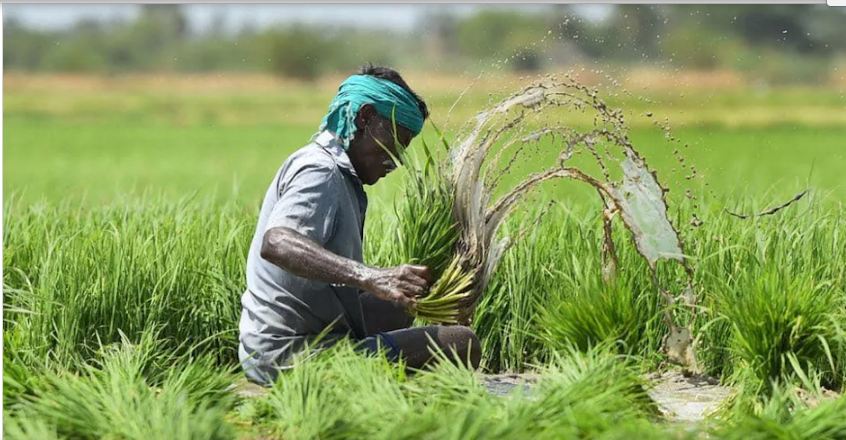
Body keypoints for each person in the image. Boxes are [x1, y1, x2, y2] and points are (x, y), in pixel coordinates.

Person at [238, 65, 481, 386]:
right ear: (364, 118)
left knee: (400, 306)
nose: (397, 160)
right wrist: (370, 276)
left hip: (284, 344)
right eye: (397, 140)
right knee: (461, 342)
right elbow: (277, 243)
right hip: (289, 356)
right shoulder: (320, 171)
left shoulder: (339, 175)